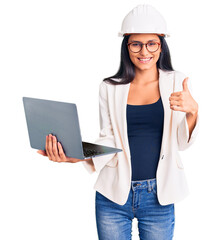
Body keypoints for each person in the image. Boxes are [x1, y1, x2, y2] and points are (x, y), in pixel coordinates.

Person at [37, 4, 199, 240]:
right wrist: (79, 155)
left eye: (151, 43)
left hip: (160, 195)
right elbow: (109, 137)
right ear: (126, 46)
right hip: (113, 195)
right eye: (136, 44)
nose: (144, 51)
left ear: (161, 45)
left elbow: (181, 144)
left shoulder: (178, 82)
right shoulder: (110, 87)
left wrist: (193, 111)